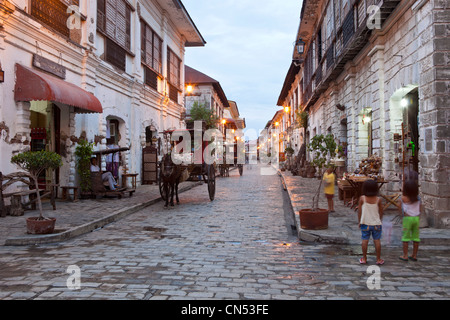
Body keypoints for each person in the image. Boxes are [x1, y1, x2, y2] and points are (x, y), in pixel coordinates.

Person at [358, 179, 384, 265]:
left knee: (365, 240)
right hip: (376, 223)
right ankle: (378, 259)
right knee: (377, 240)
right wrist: (379, 219)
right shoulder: (378, 200)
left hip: (365, 223)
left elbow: (359, 211)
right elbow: (381, 211)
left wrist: (359, 221)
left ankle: (364, 258)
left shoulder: (362, 198)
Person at [399, 180, 421, 262]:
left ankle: (405, 255)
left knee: (406, 237)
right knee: (416, 237)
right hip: (416, 218)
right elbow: (420, 207)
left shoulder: (403, 198)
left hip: (407, 218)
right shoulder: (418, 198)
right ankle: (414, 255)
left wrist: (402, 215)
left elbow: (399, 207)